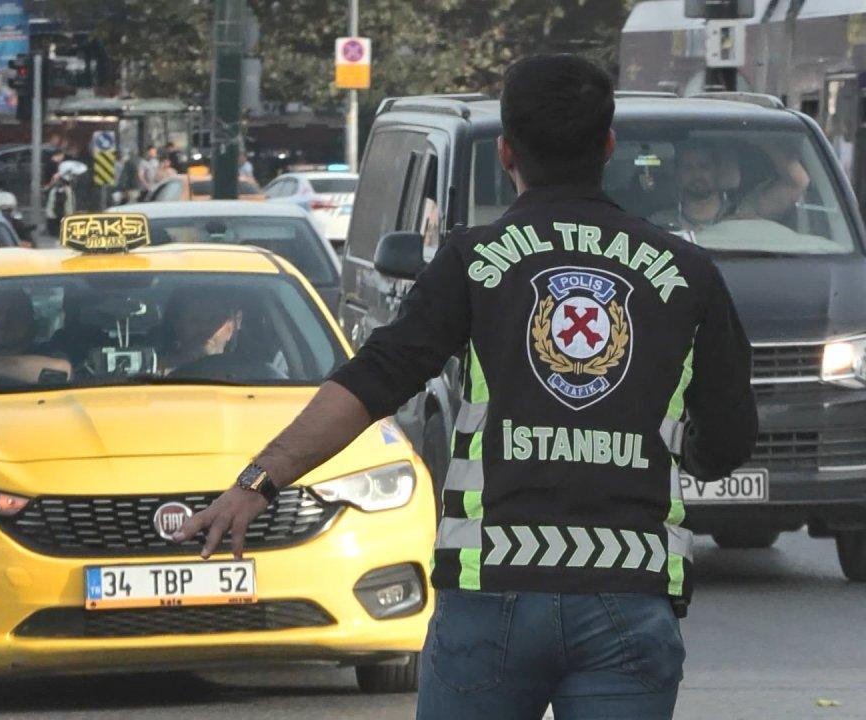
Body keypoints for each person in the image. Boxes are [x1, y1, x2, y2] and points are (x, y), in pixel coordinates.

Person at [176, 55, 757, 720]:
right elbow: (730, 439)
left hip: (491, 595)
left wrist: (258, 481)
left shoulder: (474, 261)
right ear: (608, 146)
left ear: (507, 151)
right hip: (627, 595)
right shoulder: (688, 273)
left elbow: (374, 379)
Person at [656, 140, 809, 232]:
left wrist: (760, 137)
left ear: (717, 172)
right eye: (688, 168)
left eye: (704, 166)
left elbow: (797, 182)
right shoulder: (659, 224)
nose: (697, 174)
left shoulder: (747, 211)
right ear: (677, 174)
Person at [161, 289, 242, 373]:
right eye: (195, 321)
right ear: (178, 327)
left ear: (230, 328)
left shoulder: (247, 375)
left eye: (214, 321)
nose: (205, 329)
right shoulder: (155, 378)